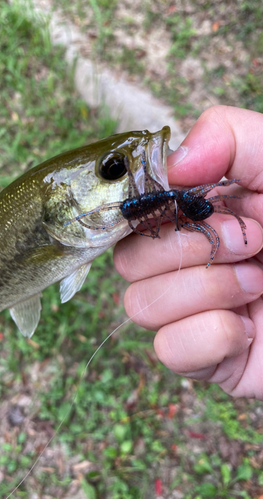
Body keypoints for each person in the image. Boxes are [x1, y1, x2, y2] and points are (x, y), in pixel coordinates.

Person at [113, 106, 263, 400]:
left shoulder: (194, 206)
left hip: (165, 206)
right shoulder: (189, 203)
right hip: (156, 205)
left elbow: (206, 205)